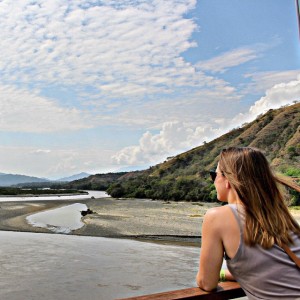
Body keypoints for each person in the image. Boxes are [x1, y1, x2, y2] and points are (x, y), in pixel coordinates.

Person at [196, 147, 300, 299]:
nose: (213, 180)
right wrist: (226, 274)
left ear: (228, 180)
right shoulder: (280, 217)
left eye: (214, 175)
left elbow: (207, 283)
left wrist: (218, 275)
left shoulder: (217, 216)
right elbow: (269, 268)